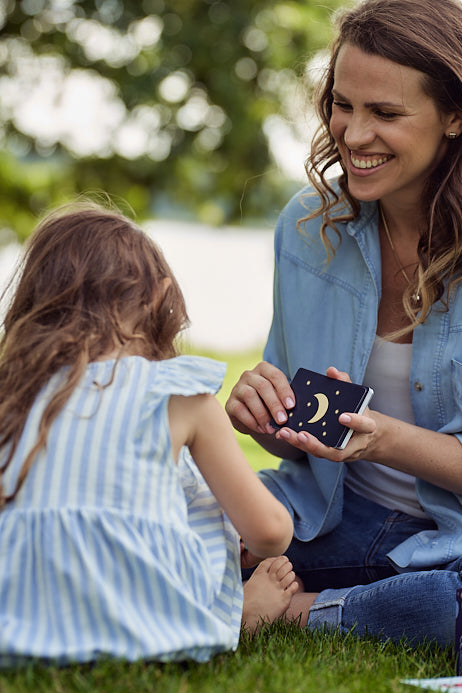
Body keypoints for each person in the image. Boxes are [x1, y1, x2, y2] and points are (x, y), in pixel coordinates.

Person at [226, 0, 462, 646]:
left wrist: (388, 439)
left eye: (385, 113)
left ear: (456, 116)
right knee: (179, 511)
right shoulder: (309, 228)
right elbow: (305, 427)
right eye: (342, 105)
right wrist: (263, 416)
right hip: (327, 516)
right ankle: (369, 600)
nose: (353, 134)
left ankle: (297, 610)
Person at [0, 203, 297, 666]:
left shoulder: (12, 392)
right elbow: (270, 532)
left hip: (18, 620)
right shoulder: (178, 391)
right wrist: (241, 542)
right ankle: (236, 616)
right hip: (146, 627)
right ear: (159, 297)